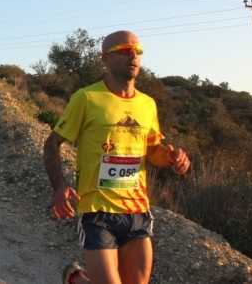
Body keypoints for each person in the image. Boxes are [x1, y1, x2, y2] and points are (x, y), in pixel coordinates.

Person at [43, 30, 191, 284]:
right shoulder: (87, 98)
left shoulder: (147, 104)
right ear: (105, 59)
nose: (133, 56)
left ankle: (77, 279)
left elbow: (153, 149)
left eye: (137, 51)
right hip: (97, 212)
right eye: (124, 50)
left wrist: (172, 158)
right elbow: (52, 144)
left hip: (137, 211)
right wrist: (59, 186)